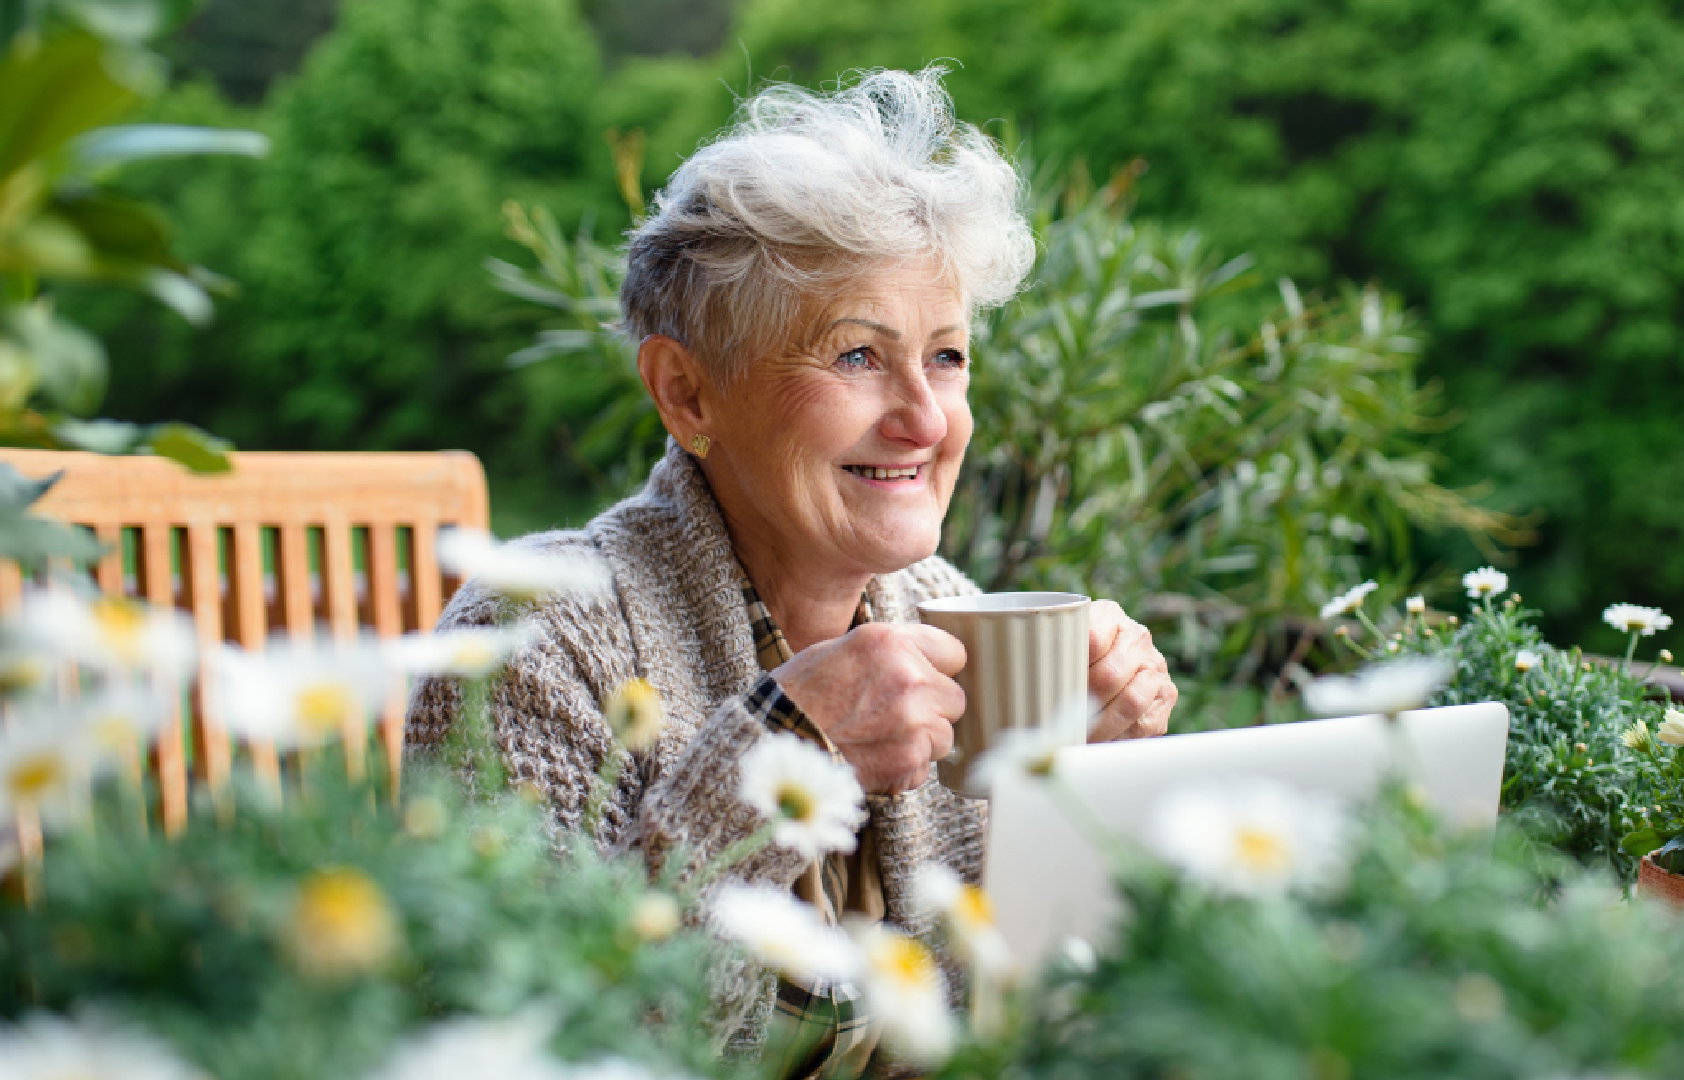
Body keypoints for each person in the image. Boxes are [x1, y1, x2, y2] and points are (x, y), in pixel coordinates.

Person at [406, 67, 1175, 1076]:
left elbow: (1042, 1009)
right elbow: (529, 1035)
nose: (926, 419)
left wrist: (1095, 786)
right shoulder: (533, 636)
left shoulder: (951, 615)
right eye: (857, 356)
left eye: (947, 357)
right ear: (687, 393)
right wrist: (773, 761)